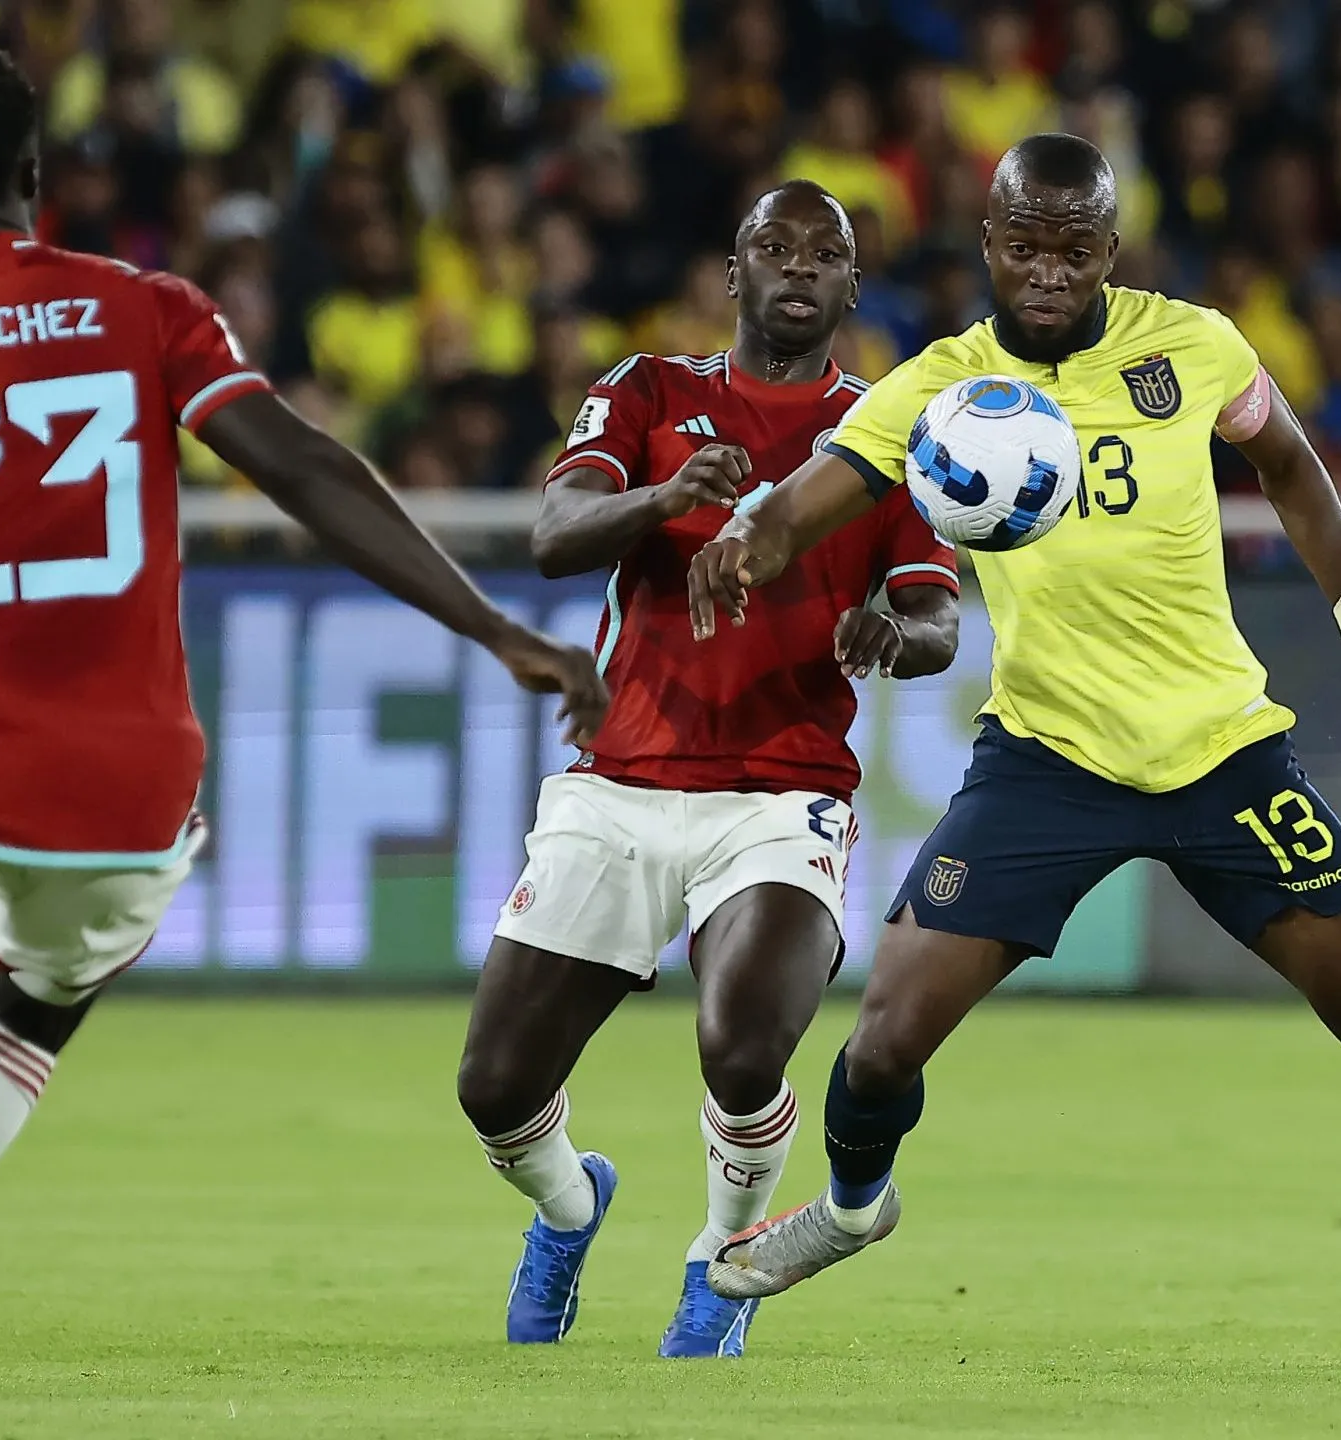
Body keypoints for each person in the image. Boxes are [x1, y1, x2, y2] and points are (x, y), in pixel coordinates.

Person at [0, 42, 607, 1440]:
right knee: (21, 1030)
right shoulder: (140, 310)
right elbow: (301, 461)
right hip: (138, 811)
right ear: (36, 178)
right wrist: (498, 631)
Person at [682, 136, 1341, 1374]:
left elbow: (1292, 467)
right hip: (1045, 761)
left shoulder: (1191, 347)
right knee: (879, 1044)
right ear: (987, 243)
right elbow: (812, 497)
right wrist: (746, 539)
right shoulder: (936, 387)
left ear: (1109, 250)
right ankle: (850, 1208)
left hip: (1219, 753)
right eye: (1023, 245)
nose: (1047, 270)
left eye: (1073, 247)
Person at [455, 180, 960, 1359]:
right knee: (493, 1086)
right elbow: (549, 539)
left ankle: (719, 1268)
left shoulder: (885, 437)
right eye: (771, 247)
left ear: (848, 285)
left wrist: (894, 631)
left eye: (824, 253)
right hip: (618, 781)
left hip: (781, 799)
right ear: (730, 275)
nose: (797, 267)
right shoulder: (645, 392)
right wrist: (664, 496)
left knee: (742, 1043)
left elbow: (938, 618)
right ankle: (570, 1211)